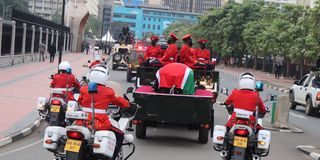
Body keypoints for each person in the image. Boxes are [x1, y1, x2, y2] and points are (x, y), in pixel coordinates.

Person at [76, 66, 131, 159]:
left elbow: (80, 101)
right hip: (100, 122)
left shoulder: (84, 89)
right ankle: (113, 157)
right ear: (104, 77)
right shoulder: (108, 91)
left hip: (83, 122)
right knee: (120, 134)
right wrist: (128, 104)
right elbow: (120, 101)